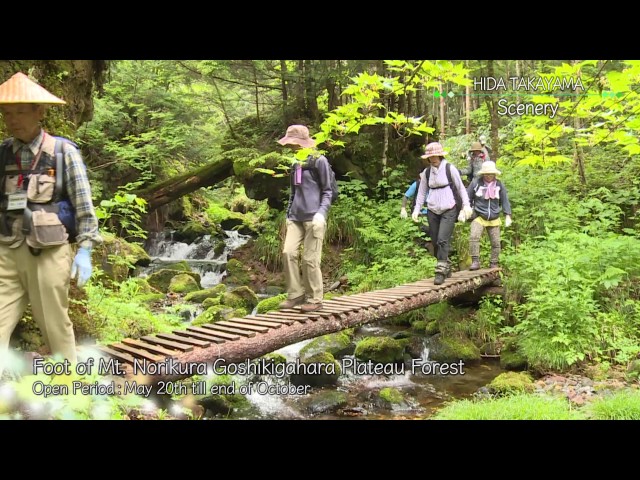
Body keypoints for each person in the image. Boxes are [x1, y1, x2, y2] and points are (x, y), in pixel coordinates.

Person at [0, 72, 102, 378]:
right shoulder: (3, 152)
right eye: (7, 113)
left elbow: (84, 205)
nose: (12, 120)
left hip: (48, 251)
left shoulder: (62, 152)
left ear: (39, 112)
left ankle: (68, 388)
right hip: (6, 250)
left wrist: (85, 249)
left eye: (20, 111)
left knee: (54, 324)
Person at [278, 125, 333, 313]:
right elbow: (294, 192)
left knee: (310, 259)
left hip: (314, 217)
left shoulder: (319, 160)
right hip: (295, 217)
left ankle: (315, 299)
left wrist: (321, 213)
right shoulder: (295, 162)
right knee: (288, 252)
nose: (291, 146)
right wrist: (288, 213)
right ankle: (295, 294)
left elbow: (328, 191)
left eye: (293, 143)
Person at [412, 142, 472, 285]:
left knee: (442, 239)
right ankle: (447, 265)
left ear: (439, 155)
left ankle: (440, 271)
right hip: (432, 209)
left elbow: (461, 188)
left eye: (434, 156)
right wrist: (416, 208)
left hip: (449, 208)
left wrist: (466, 205)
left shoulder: (450, 169)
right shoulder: (427, 173)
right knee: (435, 241)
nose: (433, 159)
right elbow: (421, 192)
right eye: (430, 156)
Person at [467, 161, 512, 270]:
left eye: (491, 174)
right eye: (486, 174)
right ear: (483, 174)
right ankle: (475, 261)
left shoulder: (499, 185)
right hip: (478, 215)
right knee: (474, 237)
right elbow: (468, 197)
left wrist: (507, 215)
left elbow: (504, 200)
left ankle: (494, 262)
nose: (489, 176)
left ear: (494, 174)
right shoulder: (475, 183)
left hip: (494, 216)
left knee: (496, 242)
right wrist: (466, 210)